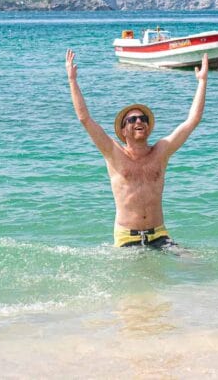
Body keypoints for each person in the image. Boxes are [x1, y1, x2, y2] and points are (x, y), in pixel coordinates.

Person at [65, 49, 209, 249]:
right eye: (132, 119)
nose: (139, 121)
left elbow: (192, 121)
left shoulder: (161, 151)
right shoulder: (113, 152)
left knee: (195, 268)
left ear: (148, 127)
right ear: (123, 130)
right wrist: (72, 81)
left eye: (143, 119)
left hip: (159, 234)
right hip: (127, 237)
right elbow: (85, 119)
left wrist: (202, 81)